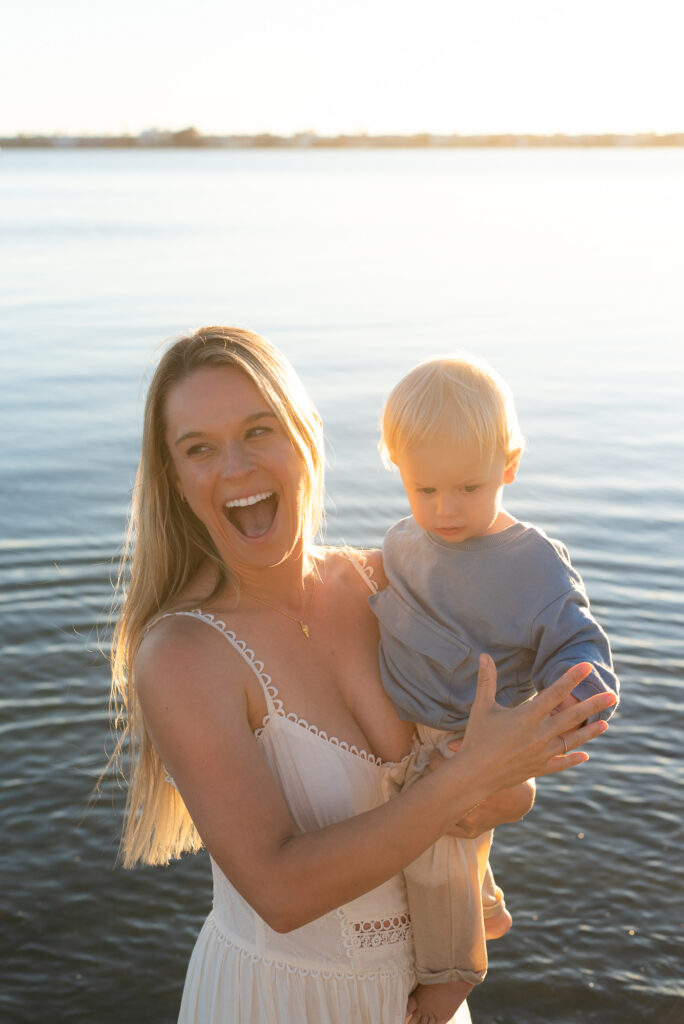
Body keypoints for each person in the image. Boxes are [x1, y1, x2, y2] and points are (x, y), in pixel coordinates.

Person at [109, 327, 616, 1024]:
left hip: (422, 1000)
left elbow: (502, 788)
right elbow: (281, 893)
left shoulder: (391, 583)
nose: (235, 467)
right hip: (281, 1000)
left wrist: (511, 771)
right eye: (200, 447)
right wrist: (468, 779)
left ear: (306, 436)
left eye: (259, 430)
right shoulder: (183, 656)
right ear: (173, 476)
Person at [370, 353, 620, 1023]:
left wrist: (572, 703)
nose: (445, 509)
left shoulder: (531, 563)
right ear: (400, 472)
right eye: (424, 491)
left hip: (466, 739)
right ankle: (484, 906)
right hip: (407, 728)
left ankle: (453, 979)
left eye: (468, 489)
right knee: (443, 855)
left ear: (508, 469)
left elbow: (577, 643)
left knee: (434, 858)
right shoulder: (404, 541)